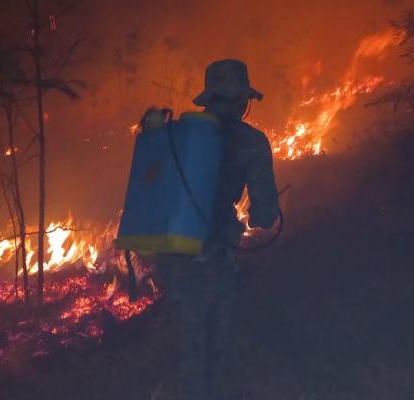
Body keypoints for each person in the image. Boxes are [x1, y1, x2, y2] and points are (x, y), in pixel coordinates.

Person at [155, 59, 279, 400]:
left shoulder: (174, 134)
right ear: (241, 99)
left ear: (208, 98)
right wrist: (258, 216)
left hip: (169, 253)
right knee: (213, 339)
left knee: (186, 335)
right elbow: (264, 214)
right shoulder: (251, 141)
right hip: (213, 257)